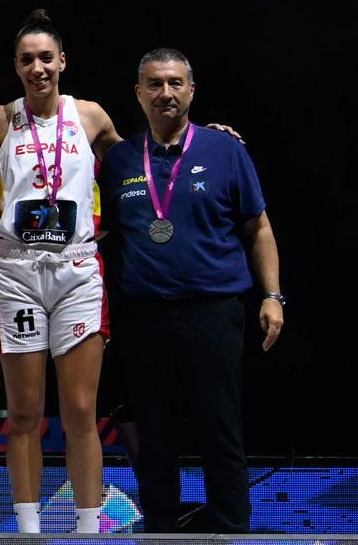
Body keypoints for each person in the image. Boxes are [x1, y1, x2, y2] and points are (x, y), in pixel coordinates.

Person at [98, 48, 282, 533]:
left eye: (176, 83)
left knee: (218, 424)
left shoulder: (226, 150)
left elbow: (257, 227)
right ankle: (160, 526)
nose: (166, 93)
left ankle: (230, 526)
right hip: (142, 315)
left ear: (192, 90)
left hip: (213, 310)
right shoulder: (118, 161)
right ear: (138, 94)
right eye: (155, 84)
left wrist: (272, 295)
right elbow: (106, 235)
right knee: (153, 429)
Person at [0, 10, 126, 534]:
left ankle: (86, 528)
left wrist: (206, 139)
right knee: (24, 413)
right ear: (16, 67)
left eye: (46, 58)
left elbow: (138, 170)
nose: (38, 68)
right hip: (16, 273)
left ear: (62, 61)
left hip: (77, 269)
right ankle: (30, 530)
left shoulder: (91, 117)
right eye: (27, 60)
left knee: (81, 411)